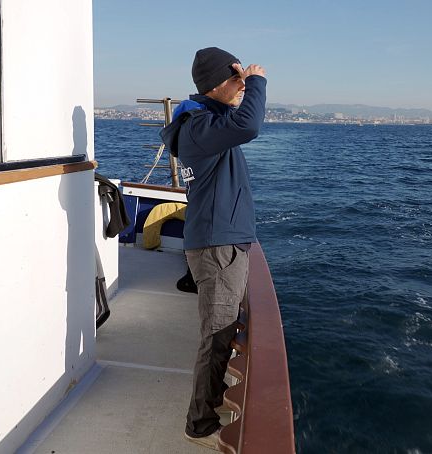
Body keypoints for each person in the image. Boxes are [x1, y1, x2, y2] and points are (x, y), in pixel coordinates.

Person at [160, 46, 266, 450]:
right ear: (216, 84)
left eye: (243, 79)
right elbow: (250, 125)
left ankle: (211, 404)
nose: (241, 86)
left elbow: (241, 122)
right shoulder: (199, 127)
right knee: (218, 334)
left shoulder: (205, 122)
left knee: (220, 332)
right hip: (218, 247)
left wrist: (244, 84)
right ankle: (200, 424)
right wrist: (257, 79)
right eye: (235, 80)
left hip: (221, 241)